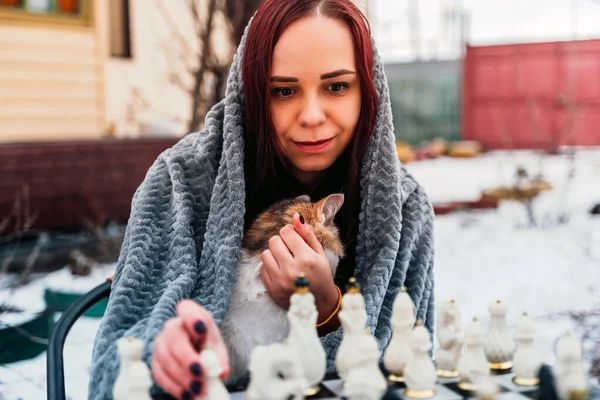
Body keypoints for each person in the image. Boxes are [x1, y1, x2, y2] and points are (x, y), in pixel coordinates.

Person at [88, 0, 435, 399]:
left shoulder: (406, 209)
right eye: (283, 91)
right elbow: (114, 359)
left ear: (369, 90)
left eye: (337, 86)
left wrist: (326, 308)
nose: (311, 115)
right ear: (251, 92)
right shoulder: (181, 181)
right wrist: (157, 357)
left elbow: (412, 372)